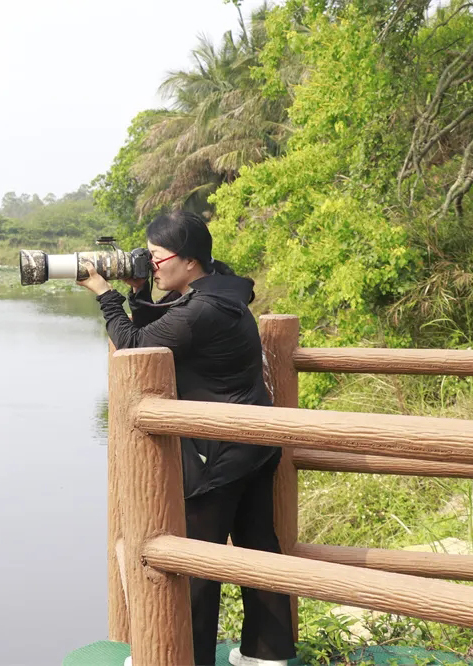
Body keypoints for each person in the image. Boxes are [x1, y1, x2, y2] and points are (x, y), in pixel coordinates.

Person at [76, 210, 297, 666]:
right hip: (255, 440)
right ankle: (268, 653)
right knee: (258, 544)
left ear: (189, 260)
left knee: (194, 559)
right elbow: (161, 333)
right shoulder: (222, 293)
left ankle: (185, 657)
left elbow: (137, 347)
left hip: (219, 451)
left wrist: (105, 294)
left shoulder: (201, 310)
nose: (150, 264)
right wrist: (140, 292)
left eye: (156, 257)